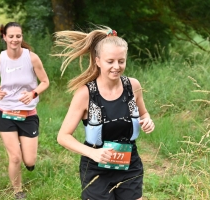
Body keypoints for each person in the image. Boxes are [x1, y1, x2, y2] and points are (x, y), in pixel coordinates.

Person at [54, 26, 155, 200]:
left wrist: (147, 121)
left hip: (129, 163)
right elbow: (63, 136)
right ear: (98, 61)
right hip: (96, 168)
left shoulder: (133, 86)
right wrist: (92, 153)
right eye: (110, 61)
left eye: (121, 61)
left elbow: (144, 114)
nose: (117, 67)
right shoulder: (85, 94)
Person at [0, 22, 49, 199]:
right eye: (11, 36)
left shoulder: (32, 58)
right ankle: (17, 190)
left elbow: (45, 82)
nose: (14, 39)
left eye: (18, 36)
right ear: (4, 37)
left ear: (22, 37)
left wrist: (33, 93)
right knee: (14, 158)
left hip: (28, 114)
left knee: (29, 160)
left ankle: (26, 157)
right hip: (5, 113)